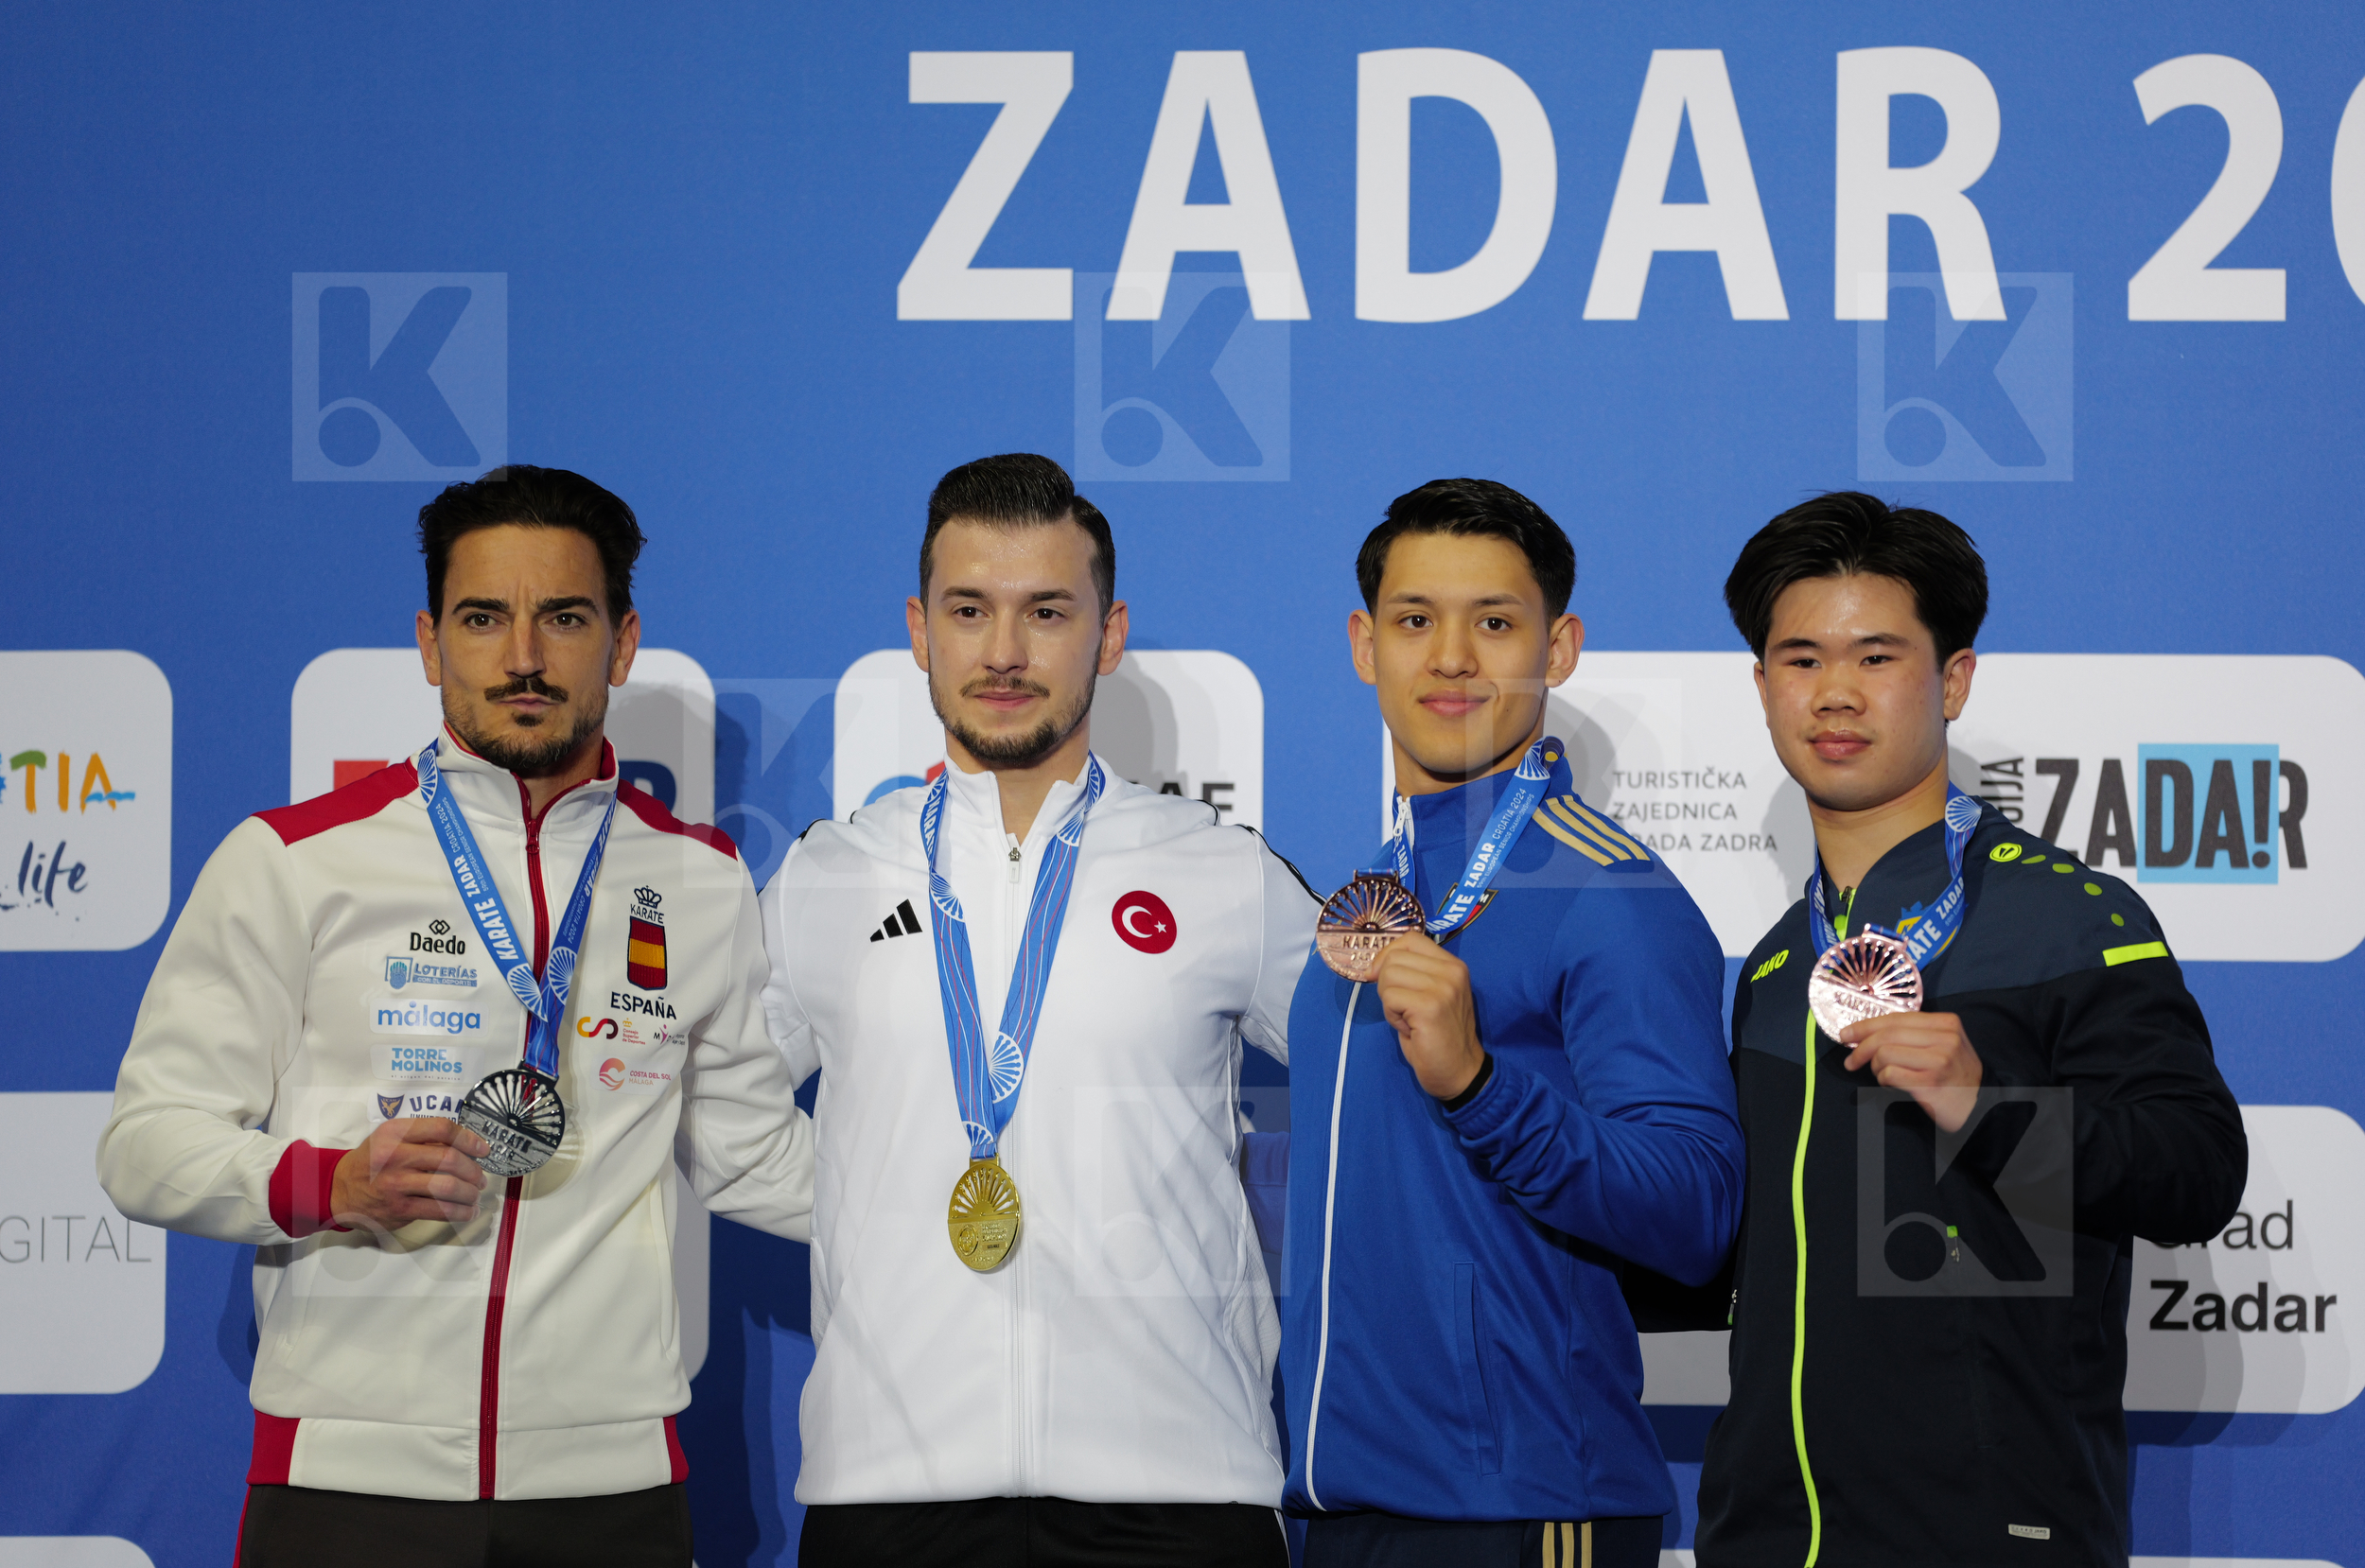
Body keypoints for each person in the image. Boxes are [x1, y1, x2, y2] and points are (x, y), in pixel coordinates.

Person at [97, 466, 815, 1567]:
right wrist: (327, 1183)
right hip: (348, 1482)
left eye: (563, 617)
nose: (523, 655)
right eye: (484, 617)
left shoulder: (701, 879)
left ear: (622, 643)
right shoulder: (294, 858)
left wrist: (1017, 1197)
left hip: (609, 1489)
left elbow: (754, 1154)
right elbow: (144, 1146)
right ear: (431, 643)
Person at [760, 453, 1317, 1567]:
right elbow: (694, 1110)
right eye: (970, 609)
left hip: (1179, 1496)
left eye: (1046, 611)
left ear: (1107, 635)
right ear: (920, 628)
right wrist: (865, 1203)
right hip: (890, 1497)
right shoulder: (828, 877)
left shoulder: (1221, 873)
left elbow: (1388, 1099)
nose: (1004, 651)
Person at [1691, 493, 2247, 1566]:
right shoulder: (1772, 963)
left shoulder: (2069, 917)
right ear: (1761, 688)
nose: (1835, 693)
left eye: (1877, 656)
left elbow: (2197, 1172)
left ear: (1952, 679)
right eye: (1800, 659)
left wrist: (1991, 1111)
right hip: (1764, 1537)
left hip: (1989, 1536)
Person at [1278, 478, 1745, 1568]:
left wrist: (1481, 1085)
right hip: (1338, 1505)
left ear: (1560, 644)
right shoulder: (1370, 893)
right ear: (1363, 643)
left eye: (1494, 622)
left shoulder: (1610, 891)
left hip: (1522, 1514)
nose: (1450, 657)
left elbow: (1695, 1209)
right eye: (1414, 620)